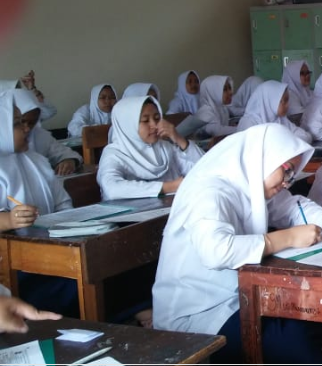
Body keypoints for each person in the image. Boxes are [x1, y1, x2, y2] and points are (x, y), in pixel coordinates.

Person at [152, 123, 322, 364]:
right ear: (265, 157)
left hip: (243, 293)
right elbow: (216, 251)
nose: (287, 182)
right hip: (200, 311)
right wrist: (284, 238)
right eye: (287, 171)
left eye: (292, 175)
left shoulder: (251, 180)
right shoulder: (210, 190)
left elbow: (291, 206)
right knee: (294, 342)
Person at [0, 91, 79, 317]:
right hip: (17, 265)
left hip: (54, 249)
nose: (27, 129)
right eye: (18, 124)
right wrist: (10, 219)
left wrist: (70, 230)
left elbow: (62, 202)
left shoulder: (37, 160)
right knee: (75, 283)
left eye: (26, 122)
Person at [97, 96, 204, 200]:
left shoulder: (164, 148)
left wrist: (179, 139)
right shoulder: (114, 154)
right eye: (145, 120)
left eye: (157, 118)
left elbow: (205, 168)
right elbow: (112, 188)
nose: (154, 125)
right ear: (128, 125)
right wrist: (167, 187)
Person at [11, 89, 81, 175]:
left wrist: (70, 161)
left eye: (32, 122)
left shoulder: (40, 135)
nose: (27, 128)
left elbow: (66, 154)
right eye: (21, 122)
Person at [237, 80, 312, 143]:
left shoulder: (279, 119)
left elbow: (305, 136)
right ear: (271, 101)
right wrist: (291, 143)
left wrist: (288, 144)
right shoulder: (248, 123)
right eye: (285, 101)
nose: (288, 105)